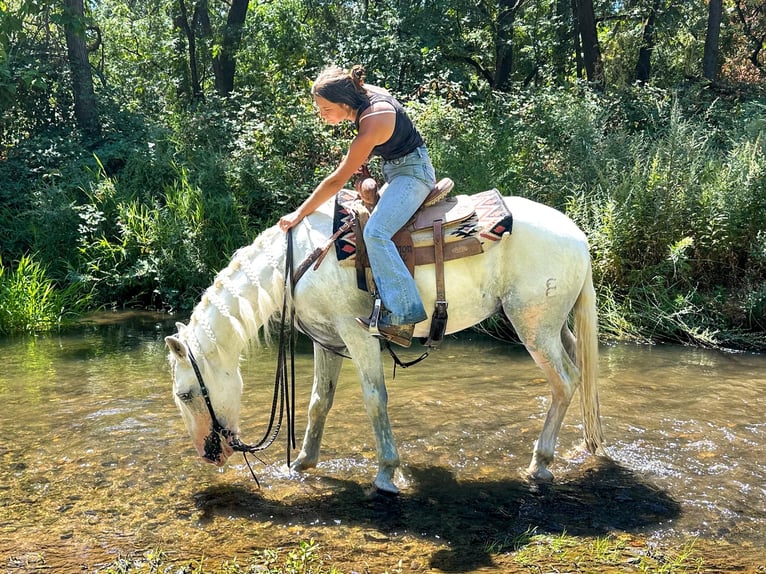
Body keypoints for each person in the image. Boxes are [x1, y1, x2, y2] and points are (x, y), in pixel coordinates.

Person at [278, 64, 436, 347]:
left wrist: (298, 213)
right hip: (395, 170)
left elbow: (337, 180)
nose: (321, 115)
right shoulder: (361, 98)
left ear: (343, 103)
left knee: (376, 233)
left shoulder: (373, 119)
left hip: (413, 174)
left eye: (325, 109)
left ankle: (403, 315)